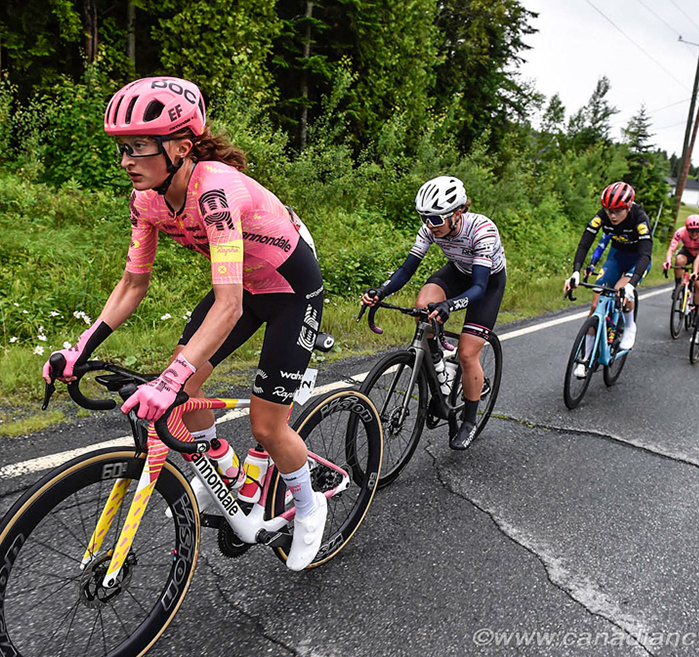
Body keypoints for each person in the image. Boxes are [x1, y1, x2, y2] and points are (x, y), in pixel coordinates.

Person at [42, 77, 327, 571]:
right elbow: (132, 284)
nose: (127, 160)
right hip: (239, 288)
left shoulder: (214, 191)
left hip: (287, 292)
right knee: (187, 392)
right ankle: (222, 464)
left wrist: (168, 379)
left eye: (138, 147)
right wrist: (80, 349)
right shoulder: (147, 201)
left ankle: (309, 504)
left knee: (266, 423)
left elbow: (229, 306)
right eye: (122, 149)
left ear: (180, 145)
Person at [361, 176, 506, 450]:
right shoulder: (430, 229)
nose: (429, 225)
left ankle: (470, 421)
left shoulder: (482, 230)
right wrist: (381, 291)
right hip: (458, 271)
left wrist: (449, 305)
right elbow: (407, 269)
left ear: (458, 212)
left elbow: (478, 286)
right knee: (422, 307)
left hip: (485, 283)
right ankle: (440, 366)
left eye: (436, 219)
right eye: (424, 217)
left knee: (467, 353)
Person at [564, 182, 652, 365]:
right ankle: (585, 358)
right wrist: (576, 272)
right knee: (596, 305)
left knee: (621, 290)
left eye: (617, 211)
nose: (612, 215)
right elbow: (585, 243)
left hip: (637, 260)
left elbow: (645, 255)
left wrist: (631, 284)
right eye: (608, 210)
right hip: (617, 256)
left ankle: (629, 326)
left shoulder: (640, 218)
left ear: (628, 206)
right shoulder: (602, 215)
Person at [663, 214, 699, 286]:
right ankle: (678, 285)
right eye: (691, 231)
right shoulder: (680, 232)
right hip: (688, 251)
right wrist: (668, 261)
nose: (694, 234)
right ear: (686, 229)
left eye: (697, 231)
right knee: (679, 260)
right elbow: (672, 248)